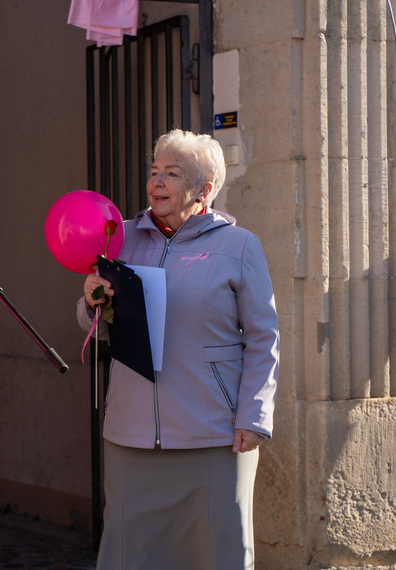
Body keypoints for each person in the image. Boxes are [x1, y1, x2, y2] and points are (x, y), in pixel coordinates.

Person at [76, 130, 279, 569]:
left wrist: (254, 416)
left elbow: (263, 337)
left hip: (214, 437)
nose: (158, 182)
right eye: (154, 172)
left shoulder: (239, 246)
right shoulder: (118, 237)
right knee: (129, 555)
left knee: (218, 554)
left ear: (204, 189)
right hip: (131, 437)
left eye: (172, 173)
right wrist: (91, 299)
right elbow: (92, 325)